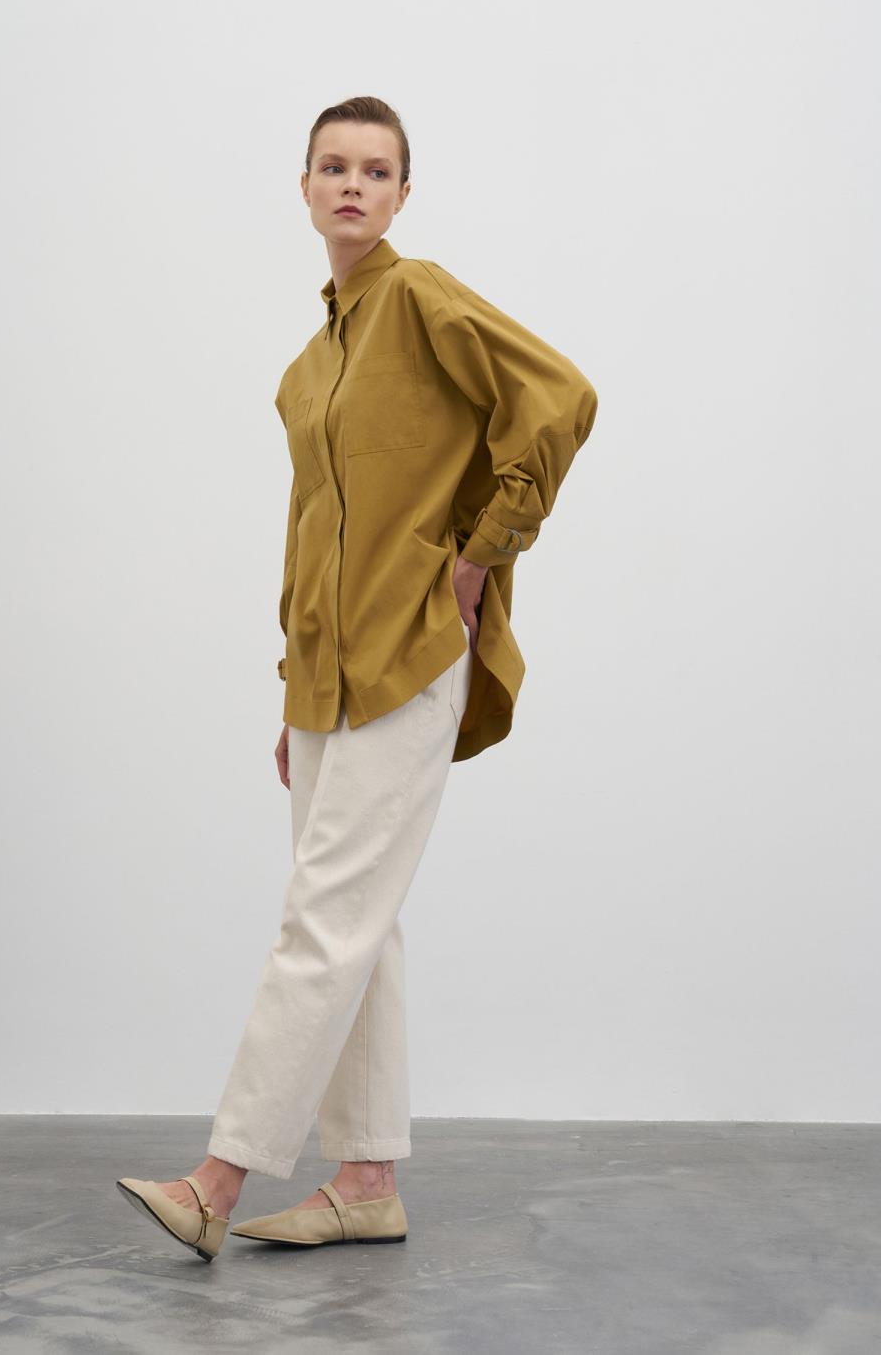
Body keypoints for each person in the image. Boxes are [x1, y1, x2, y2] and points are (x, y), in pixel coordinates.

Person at [117, 95, 599, 1261]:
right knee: (359, 927)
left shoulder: (421, 297)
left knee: (322, 921)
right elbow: (309, 531)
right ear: (304, 188)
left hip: (413, 651)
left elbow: (561, 399)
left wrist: (483, 556)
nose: (352, 185)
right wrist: (297, 687)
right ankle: (367, 1181)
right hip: (327, 677)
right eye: (333, 167)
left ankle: (218, 1181)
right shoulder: (306, 368)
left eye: (376, 171)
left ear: (402, 195)